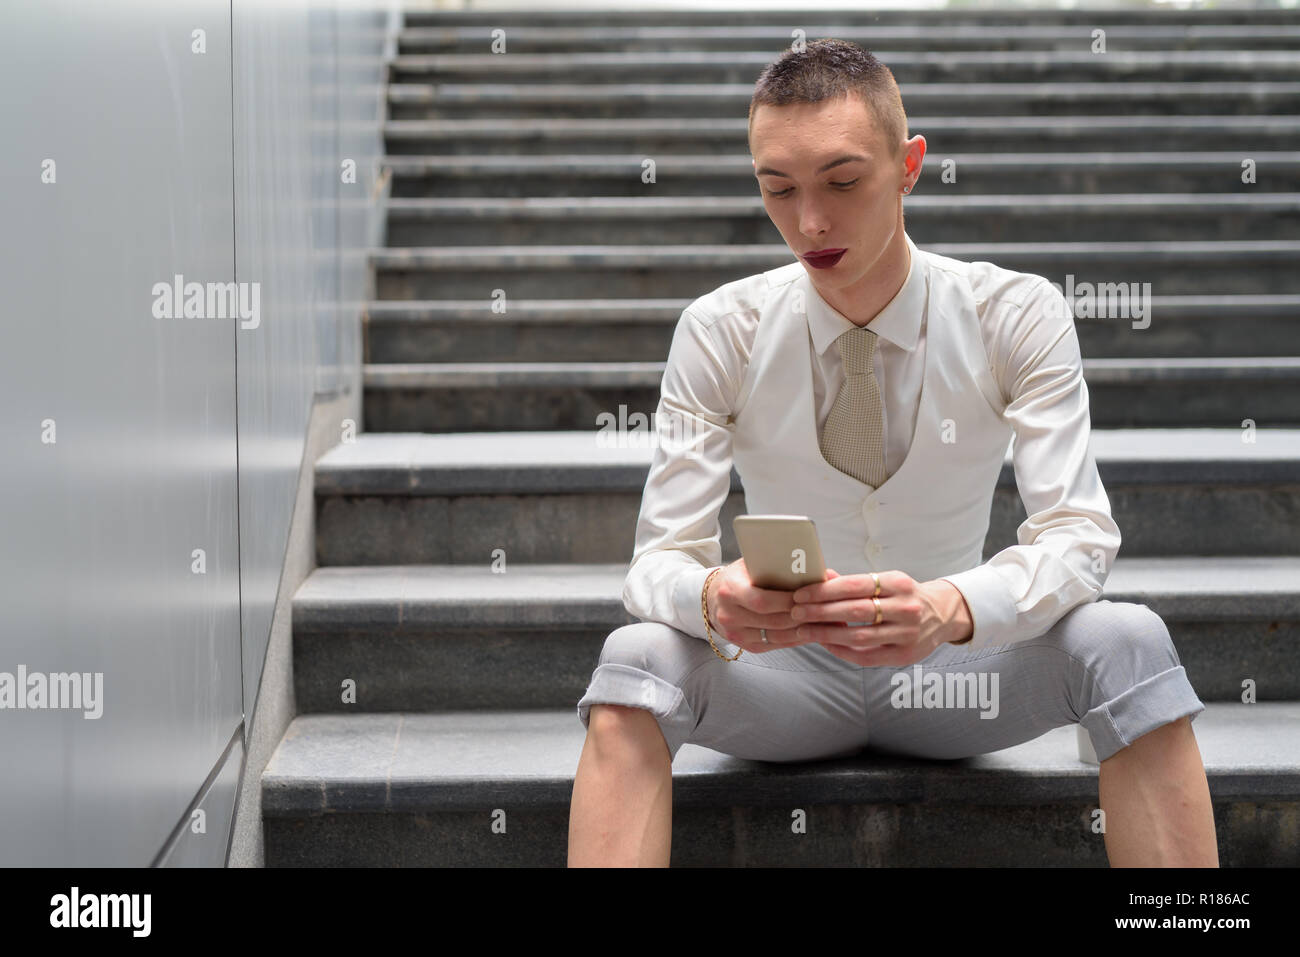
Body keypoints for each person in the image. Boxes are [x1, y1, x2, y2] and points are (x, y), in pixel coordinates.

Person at [567, 39, 1217, 868]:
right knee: (635, 657)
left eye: (842, 182)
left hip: (959, 675)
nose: (810, 223)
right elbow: (656, 562)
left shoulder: (1014, 313)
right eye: (778, 188)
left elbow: (1079, 534)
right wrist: (711, 595)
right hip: (780, 681)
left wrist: (952, 606)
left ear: (909, 167)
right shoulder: (719, 330)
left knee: (1129, 637)